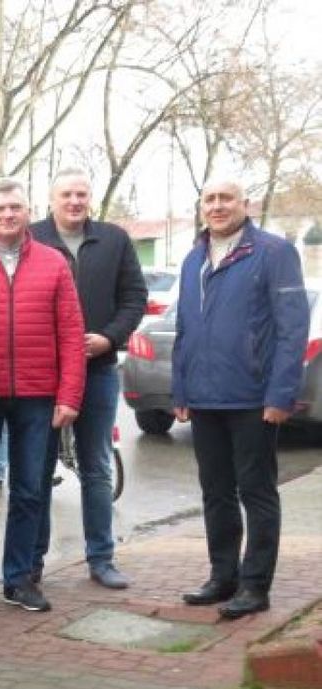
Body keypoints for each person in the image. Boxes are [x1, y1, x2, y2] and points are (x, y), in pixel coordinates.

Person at [172, 177, 309, 619]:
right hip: (205, 398)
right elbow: (186, 330)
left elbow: (292, 329)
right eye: (209, 199)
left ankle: (255, 586)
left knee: (256, 490)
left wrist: (281, 393)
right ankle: (222, 576)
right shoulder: (194, 258)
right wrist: (181, 388)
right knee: (215, 492)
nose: (217, 206)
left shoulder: (272, 252)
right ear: (201, 207)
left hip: (253, 397)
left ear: (244, 204)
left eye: (225, 198)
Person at [0, 177, 85, 616]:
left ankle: (20, 578)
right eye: (0, 208)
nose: (8, 214)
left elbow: (70, 330)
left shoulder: (53, 263)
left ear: (28, 212)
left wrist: (69, 395)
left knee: (31, 490)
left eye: (16, 207)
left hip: (38, 395)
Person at [30, 167, 147, 589]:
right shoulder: (30, 239)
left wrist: (110, 337)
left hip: (97, 370)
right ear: (51, 199)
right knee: (37, 468)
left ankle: (101, 558)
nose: (75, 202)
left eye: (81, 194)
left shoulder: (114, 240)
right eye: (66, 195)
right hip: (42, 374)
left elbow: (135, 297)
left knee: (97, 466)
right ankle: (32, 561)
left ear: (90, 199)